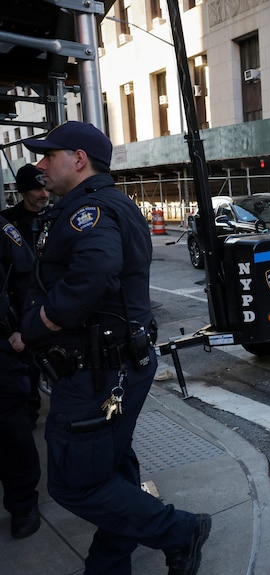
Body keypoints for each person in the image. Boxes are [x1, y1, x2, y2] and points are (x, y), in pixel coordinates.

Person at [18, 121, 211, 575]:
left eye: (49, 155)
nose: (40, 164)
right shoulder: (106, 202)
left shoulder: (91, 209)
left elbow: (95, 270)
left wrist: (39, 324)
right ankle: (107, 567)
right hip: (117, 365)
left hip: (97, 374)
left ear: (79, 159)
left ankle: (179, 531)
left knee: (75, 485)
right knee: (112, 472)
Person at [0, 213, 41, 539]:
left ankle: (23, 502)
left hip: (1, 345)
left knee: (10, 430)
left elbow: (27, 280)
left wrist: (21, 330)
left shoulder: (3, 229)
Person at [2, 163, 51, 428]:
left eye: (45, 187)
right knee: (26, 375)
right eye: (36, 188)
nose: (43, 194)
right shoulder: (7, 223)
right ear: (23, 191)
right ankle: (28, 420)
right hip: (20, 311)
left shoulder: (56, 218)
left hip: (52, 308)